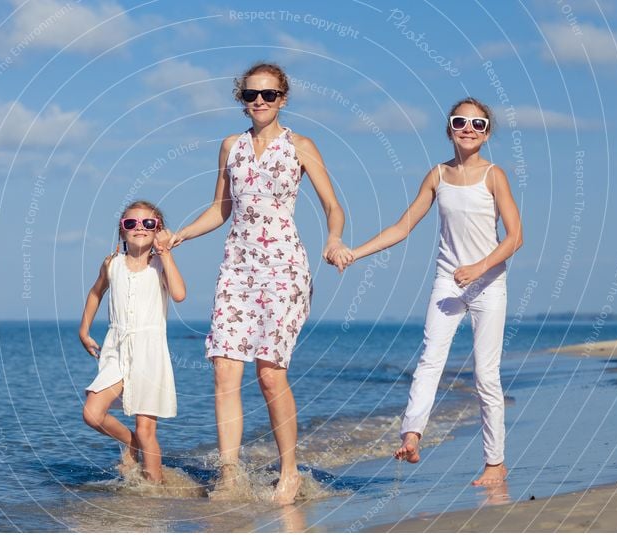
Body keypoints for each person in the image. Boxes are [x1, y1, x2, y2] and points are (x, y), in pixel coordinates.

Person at [169, 62, 353, 505]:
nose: (259, 102)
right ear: (242, 99)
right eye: (251, 94)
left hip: (283, 267)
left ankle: (289, 473)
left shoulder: (301, 146)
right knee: (224, 370)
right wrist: (179, 234)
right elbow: (220, 209)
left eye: (268, 95)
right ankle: (230, 475)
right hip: (237, 267)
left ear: (282, 99)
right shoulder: (230, 146)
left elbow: (333, 207)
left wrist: (333, 239)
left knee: (270, 375)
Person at [349, 97, 523, 486]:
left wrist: (479, 268)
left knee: (486, 374)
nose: (468, 129)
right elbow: (401, 227)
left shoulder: (494, 176)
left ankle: (495, 464)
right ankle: (411, 437)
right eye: (461, 121)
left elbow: (515, 237)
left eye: (478, 124)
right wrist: (355, 253)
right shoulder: (437, 175)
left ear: (487, 133)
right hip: (448, 280)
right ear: (449, 128)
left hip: (488, 281)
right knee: (430, 359)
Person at [79, 200, 186, 484]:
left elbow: (178, 294)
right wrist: (84, 329)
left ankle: (155, 489)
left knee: (147, 428)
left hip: (149, 354)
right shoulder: (112, 265)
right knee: (92, 412)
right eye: (131, 223)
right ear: (122, 231)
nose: (139, 228)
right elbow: (95, 292)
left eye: (148, 224)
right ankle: (131, 442)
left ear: (158, 230)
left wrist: (166, 253)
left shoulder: (160, 266)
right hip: (116, 349)